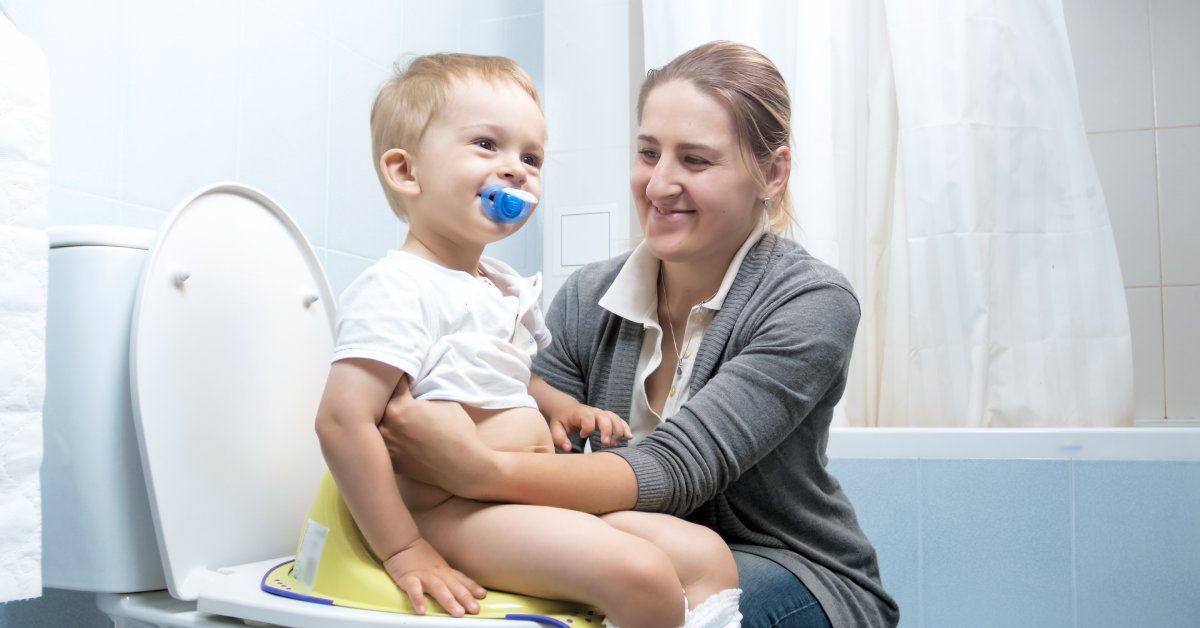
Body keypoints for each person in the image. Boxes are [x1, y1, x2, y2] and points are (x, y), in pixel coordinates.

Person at [377, 42, 901, 628]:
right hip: (622, 538)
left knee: (648, 594)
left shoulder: (809, 303)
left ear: (771, 173)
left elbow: (676, 471)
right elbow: (529, 431)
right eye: (649, 153)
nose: (659, 185)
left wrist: (470, 469)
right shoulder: (586, 297)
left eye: (696, 161)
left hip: (788, 563)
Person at [313, 52, 743, 627]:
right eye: (487, 145)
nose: (516, 168)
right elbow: (343, 421)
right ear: (406, 172)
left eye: (531, 156)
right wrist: (404, 548)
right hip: (450, 507)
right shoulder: (398, 288)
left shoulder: (498, 284)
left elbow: (511, 373)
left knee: (704, 555)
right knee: (638, 574)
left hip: (512, 498)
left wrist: (562, 407)